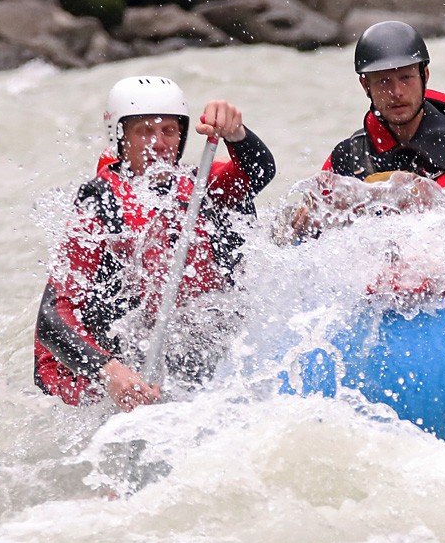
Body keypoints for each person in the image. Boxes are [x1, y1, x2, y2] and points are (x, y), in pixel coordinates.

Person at [34, 75, 276, 411]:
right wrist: (109, 371)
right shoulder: (98, 203)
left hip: (175, 346)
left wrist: (236, 134)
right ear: (120, 138)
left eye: (169, 131)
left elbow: (258, 172)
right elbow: (52, 320)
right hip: (93, 367)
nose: (159, 143)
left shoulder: (201, 183)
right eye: (145, 131)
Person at [323, 20, 445, 208]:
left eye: (406, 78)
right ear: (365, 86)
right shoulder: (347, 156)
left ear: (424, 76)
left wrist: (363, 194)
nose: (397, 92)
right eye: (383, 81)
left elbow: (437, 213)